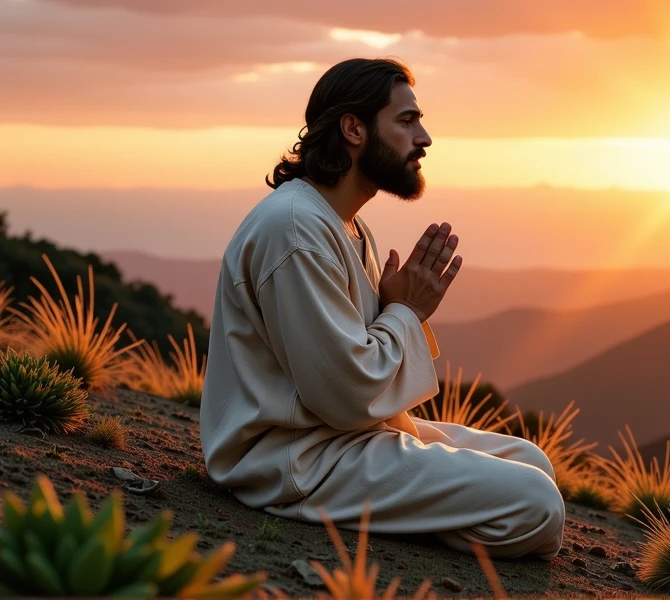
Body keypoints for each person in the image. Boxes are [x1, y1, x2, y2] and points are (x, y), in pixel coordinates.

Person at [198, 57, 564, 560]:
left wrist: (394, 309)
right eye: (407, 121)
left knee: (532, 460)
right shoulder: (296, 230)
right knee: (537, 504)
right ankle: (413, 518)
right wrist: (406, 312)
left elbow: (349, 361)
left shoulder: (344, 224)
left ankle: (423, 509)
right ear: (353, 128)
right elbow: (346, 395)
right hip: (296, 460)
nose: (425, 138)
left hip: (339, 439)